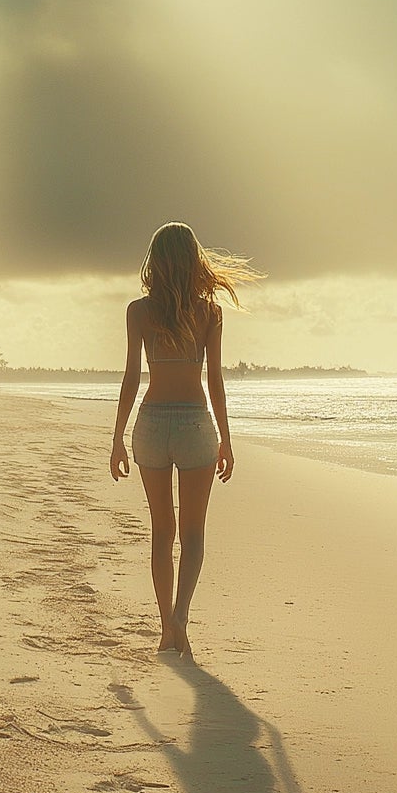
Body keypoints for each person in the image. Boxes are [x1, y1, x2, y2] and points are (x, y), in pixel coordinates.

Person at [109, 221, 258, 655]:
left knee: (162, 531)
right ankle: (181, 618)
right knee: (193, 533)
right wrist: (226, 440)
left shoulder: (138, 311)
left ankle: (163, 628)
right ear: (195, 261)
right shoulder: (210, 312)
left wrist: (117, 437)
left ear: (154, 262)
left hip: (152, 424)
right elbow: (215, 381)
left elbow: (132, 376)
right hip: (195, 424)